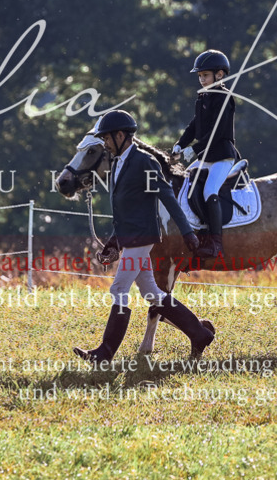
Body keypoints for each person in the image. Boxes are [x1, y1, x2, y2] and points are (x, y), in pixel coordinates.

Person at [74, 110, 216, 362]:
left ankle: (104, 353)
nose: (105, 143)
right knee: (151, 292)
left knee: (118, 289)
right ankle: (199, 334)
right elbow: (125, 211)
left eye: (107, 138)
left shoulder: (144, 162)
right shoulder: (118, 163)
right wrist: (113, 243)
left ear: (121, 135)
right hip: (131, 237)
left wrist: (186, 232)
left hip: (142, 238)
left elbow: (168, 198)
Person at [171, 49, 240, 259]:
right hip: (206, 157)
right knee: (183, 185)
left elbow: (217, 131)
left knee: (210, 191)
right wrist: (180, 144)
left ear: (219, 75)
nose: (201, 79)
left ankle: (216, 242)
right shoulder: (203, 97)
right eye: (200, 76)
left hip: (222, 156)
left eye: (205, 75)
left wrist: (194, 149)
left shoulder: (223, 97)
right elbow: (194, 126)